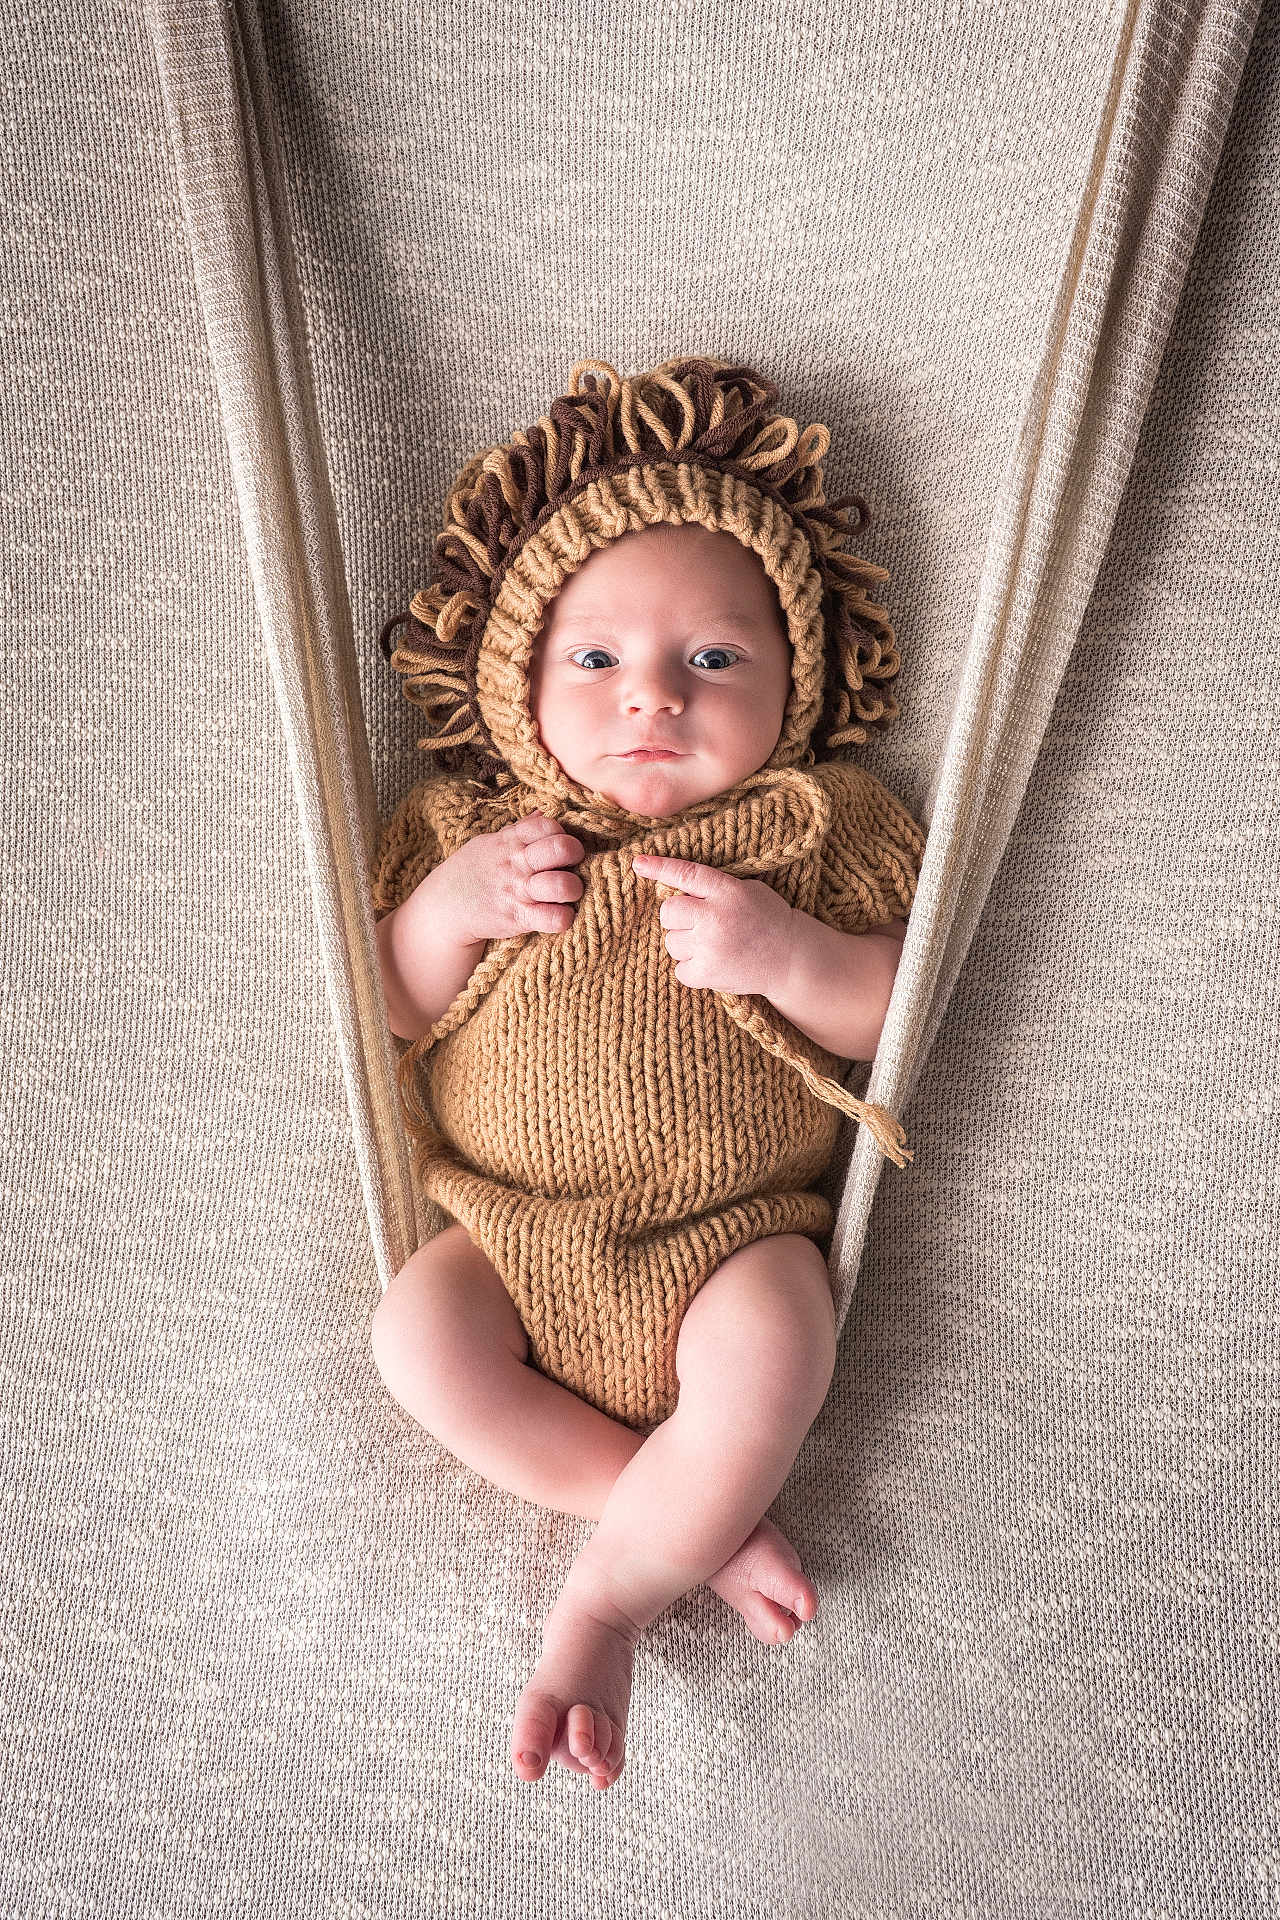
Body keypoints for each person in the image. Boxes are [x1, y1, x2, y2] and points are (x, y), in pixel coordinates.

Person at [366, 356, 927, 1792]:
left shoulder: (818, 828)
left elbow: (892, 1016)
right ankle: (678, 1514)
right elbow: (380, 1002)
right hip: (506, 1233)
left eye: (715, 660)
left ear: (796, 683)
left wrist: (789, 952)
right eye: (597, 660)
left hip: (727, 1240)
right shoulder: (474, 830)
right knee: (414, 1343)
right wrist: (452, 912)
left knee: (775, 1354)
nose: (653, 700)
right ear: (520, 687)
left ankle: (608, 1596)